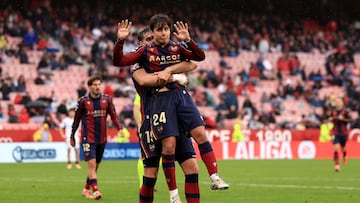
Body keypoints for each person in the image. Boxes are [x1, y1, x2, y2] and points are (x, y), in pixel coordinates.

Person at [114, 14, 229, 192]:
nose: (161, 34)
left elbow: (195, 61)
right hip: (154, 114)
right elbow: (143, 79)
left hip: (178, 101)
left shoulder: (175, 48)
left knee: (195, 151)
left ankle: (214, 176)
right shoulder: (140, 60)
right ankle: (173, 194)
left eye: (166, 29)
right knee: (151, 173)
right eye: (155, 33)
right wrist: (120, 41)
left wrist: (176, 61)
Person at [132, 27, 200, 203]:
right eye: (147, 40)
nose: (151, 44)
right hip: (151, 120)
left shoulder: (166, 62)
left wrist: (170, 70)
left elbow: (192, 63)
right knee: (150, 174)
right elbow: (144, 80)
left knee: (192, 167)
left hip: (175, 120)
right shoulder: (138, 65)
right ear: (140, 44)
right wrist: (175, 77)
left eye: (152, 40)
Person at [70, 75, 124, 200]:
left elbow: (114, 116)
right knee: (92, 165)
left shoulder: (107, 100)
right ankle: (96, 191)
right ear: (89, 87)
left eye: (99, 84)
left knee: (95, 167)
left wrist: (119, 129)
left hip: (102, 139)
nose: (97, 87)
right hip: (88, 138)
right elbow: (77, 120)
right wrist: (72, 135)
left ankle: (85, 189)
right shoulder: (83, 102)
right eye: (94, 85)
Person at [329, 97, 351, 172]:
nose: (338, 103)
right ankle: (337, 165)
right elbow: (330, 118)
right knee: (336, 148)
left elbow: (350, 120)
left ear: (342, 103)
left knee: (343, 148)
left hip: (343, 133)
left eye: (340, 102)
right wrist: (330, 119)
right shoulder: (333, 112)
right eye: (337, 102)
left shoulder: (346, 111)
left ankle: (344, 156)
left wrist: (343, 119)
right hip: (335, 132)